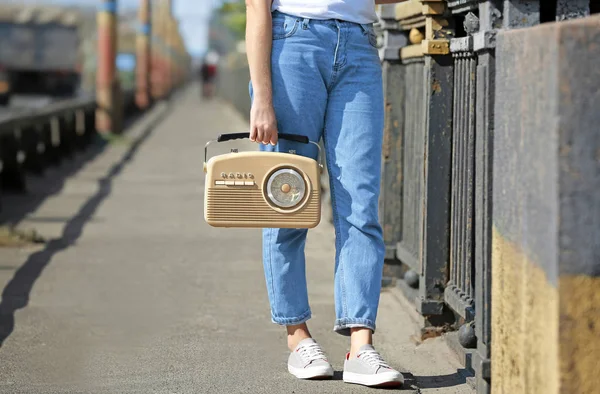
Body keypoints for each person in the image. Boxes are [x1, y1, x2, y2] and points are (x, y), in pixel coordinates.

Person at [245, 0, 405, 388]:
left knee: (360, 203)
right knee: (288, 203)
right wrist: (262, 97)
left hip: (360, 46)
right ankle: (297, 336)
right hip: (292, 44)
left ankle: (360, 347)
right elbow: (255, 6)